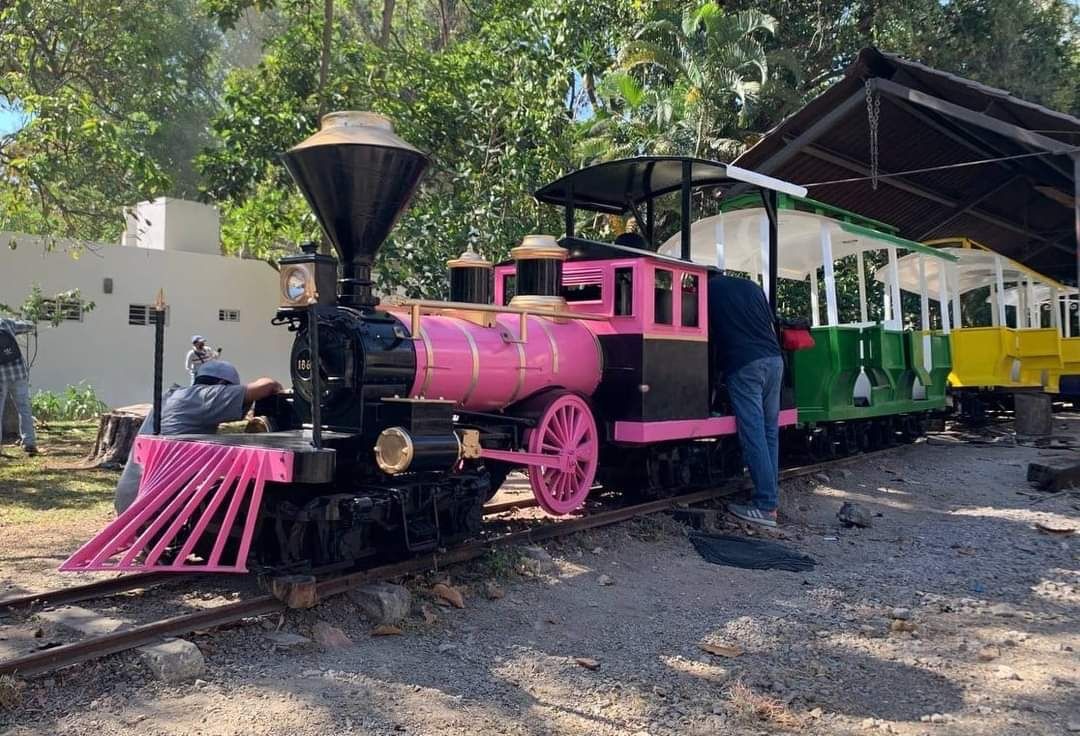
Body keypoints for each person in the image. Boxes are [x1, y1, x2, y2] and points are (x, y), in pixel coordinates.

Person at [114, 360, 282, 513]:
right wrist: (279, 390)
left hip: (128, 499)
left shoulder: (172, 395)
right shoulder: (206, 397)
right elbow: (266, 386)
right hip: (152, 507)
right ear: (222, 385)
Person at [707, 273, 783, 528]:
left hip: (745, 364)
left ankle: (765, 506)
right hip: (774, 361)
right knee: (769, 432)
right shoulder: (752, 287)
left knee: (753, 432)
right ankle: (770, 499)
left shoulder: (708, 290)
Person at [0, 316, 38, 456]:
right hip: (18, 373)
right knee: (24, 408)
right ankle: (29, 443)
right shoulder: (6, 322)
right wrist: (30, 322)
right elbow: (28, 325)